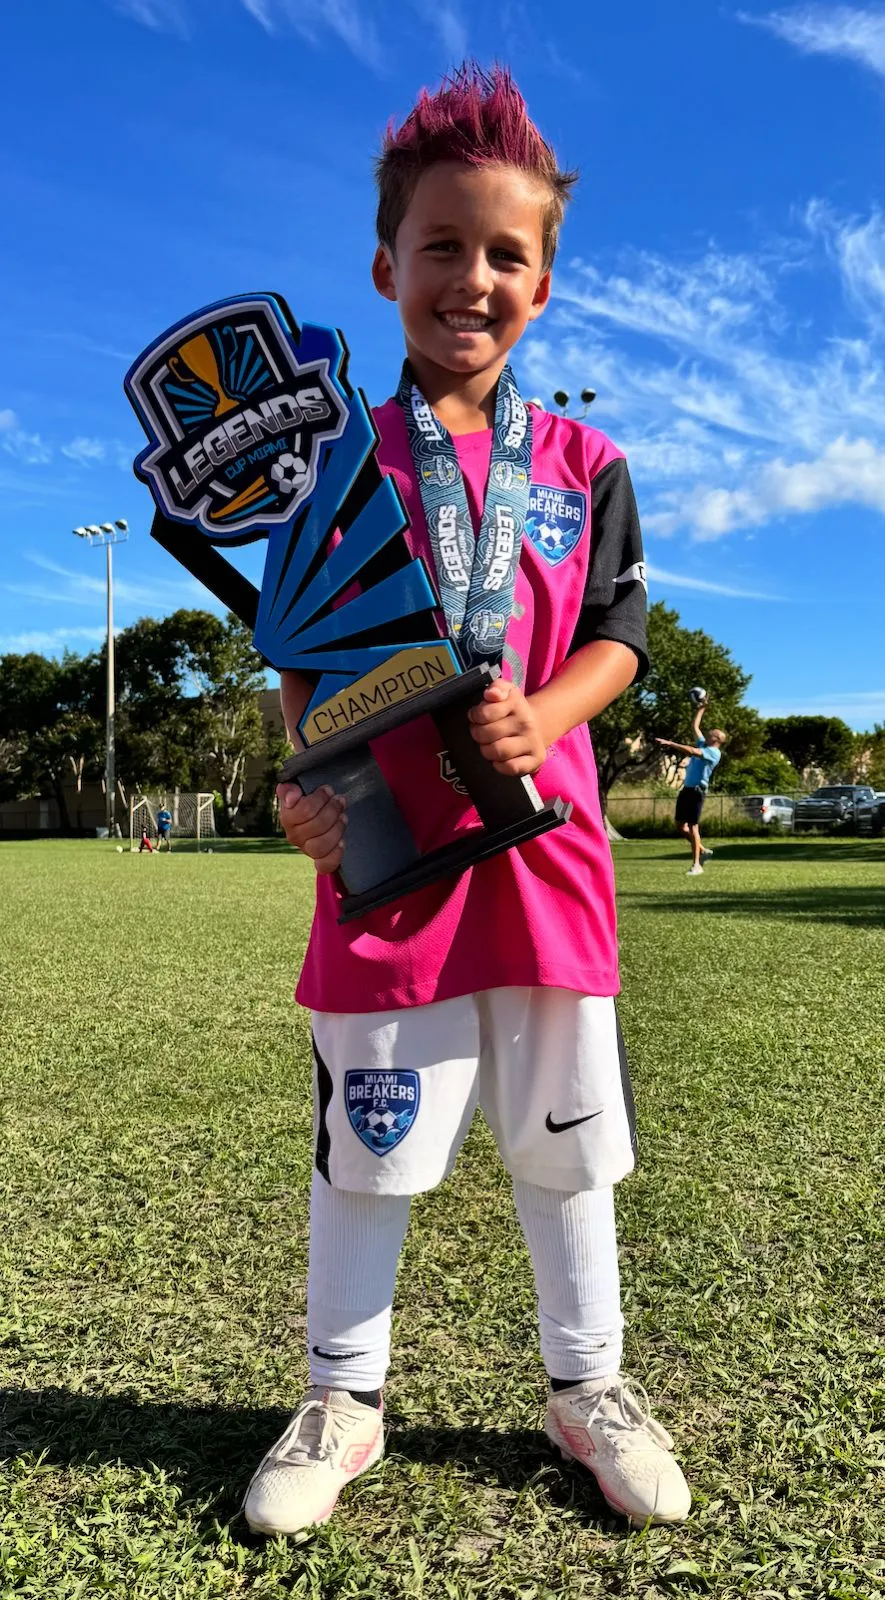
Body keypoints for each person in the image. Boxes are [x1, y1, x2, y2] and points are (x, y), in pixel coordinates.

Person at [245, 63, 691, 1539]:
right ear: (385, 267)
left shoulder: (586, 463)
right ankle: (341, 1397)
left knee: (568, 1148)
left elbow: (619, 633)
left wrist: (544, 714)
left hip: (546, 859)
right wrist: (305, 789)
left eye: (506, 254)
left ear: (545, 284)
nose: (471, 279)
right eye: (442, 246)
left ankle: (590, 1390)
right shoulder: (325, 471)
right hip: (388, 865)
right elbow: (299, 661)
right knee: (370, 1147)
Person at [656, 701, 727, 874]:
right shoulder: (704, 744)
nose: (709, 732)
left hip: (697, 791)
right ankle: (702, 850)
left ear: (716, 739)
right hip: (686, 790)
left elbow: (692, 751)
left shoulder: (713, 752)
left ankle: (696, 865)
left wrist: (671, 744)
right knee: (680, 826)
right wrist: (701, 709)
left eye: (712, 733)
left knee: (693, 826)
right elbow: (695, 726)